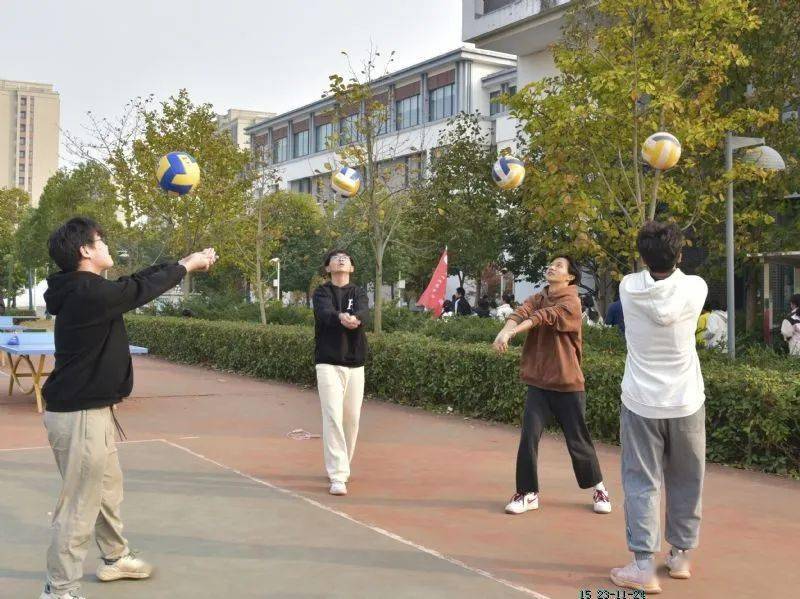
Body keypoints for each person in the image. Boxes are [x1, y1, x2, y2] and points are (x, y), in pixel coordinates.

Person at [40, 217, 217, 599]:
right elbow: (139, 289)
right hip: (79, 414)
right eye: (100, 240)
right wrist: (187, 265)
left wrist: (183, 260)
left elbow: (135, 282)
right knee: (79, 505)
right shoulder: (87, 293)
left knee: (106, 491)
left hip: (93, 410)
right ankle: (60, 590)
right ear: (85, 251)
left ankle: (115, 558)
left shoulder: (85, 289)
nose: (106, 245)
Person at [610, 221, 708, 594]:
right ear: (680, 254)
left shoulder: (629, 287)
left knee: (641, 482)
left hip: (640, 401)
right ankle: (680, 556)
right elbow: (676, 278)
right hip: (686, 400)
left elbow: (649, 276)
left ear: (642, 257)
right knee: (687, 478)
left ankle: (643, 567)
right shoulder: (695, 288)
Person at [493, 255, 611, 517]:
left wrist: (512, 332)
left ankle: (599, 487)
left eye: (559, 266)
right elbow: (523, 311)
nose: (552, 267)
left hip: (568, 384)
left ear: (570, 277)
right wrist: (505, 328)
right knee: (528, 437)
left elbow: (544, 317)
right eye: (551, 264)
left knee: (578, 442)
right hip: (539, 383)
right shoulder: (539, 296)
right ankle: (527, 493)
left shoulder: (572, 301)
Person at [312, 249, 369, 497]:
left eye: (346, 257)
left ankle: (343, 464)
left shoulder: (358, 292)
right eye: (336, 258)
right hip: (328, 361)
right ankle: (338, 474)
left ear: (352, 268)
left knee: (352, 418)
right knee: (333, 415)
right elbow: (324, 313)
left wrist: (355, 318)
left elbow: (364, 312)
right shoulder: (322, 292)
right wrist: (341, 317)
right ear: (328, 268)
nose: (342, 259)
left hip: (355, 362)